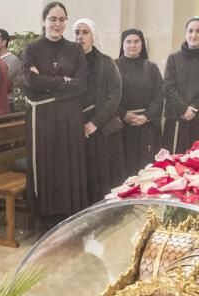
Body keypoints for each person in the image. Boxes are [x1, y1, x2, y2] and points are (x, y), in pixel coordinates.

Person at [22, 2, 89, 227]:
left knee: (67, 165)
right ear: (44, 21)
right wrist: (63, 81)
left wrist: (47, 82)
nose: (57, 24)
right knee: (47, 164)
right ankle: (46, 218)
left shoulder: (75, 49)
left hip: (69, 117)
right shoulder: (32, 49)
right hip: (43, 119)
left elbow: (81, 85)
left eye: (61, 19)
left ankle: (68, 216)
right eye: (53, 19)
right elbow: (30, 82)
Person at [73, 18, 124, 203]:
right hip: (76, 127)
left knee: (101, 176)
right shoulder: (69, 63)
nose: (80, 37)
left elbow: (114, 96)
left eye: (85, 32)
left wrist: (94, 123)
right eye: (77, 32)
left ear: (93, 36)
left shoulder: (106, 62)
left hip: (100, 127)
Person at [161, 16, 199, 154]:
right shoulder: (173, 58)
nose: (194, 35)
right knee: (175, 163)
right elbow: (169, 87)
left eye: (198, 31)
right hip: (177, 118)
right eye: (190, 31)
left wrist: (194, 107)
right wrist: (183, 109)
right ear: (185, 32)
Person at [116, 28, 163, 175]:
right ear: (122, 45)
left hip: (146, 126)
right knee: (123, 169)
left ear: (142, 44)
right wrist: (123, 114)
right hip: (121, 126)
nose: (132, 45)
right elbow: (108, 95)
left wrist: (147, 116)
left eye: (136, 41)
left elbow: (160, 94)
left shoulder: (152, 68)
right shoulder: (113, 66)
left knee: (146, 169)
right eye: (128, 42)